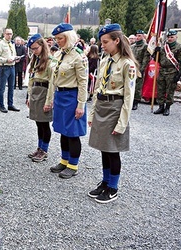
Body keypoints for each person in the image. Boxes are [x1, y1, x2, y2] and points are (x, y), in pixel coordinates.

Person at [87, 23, 137, 203]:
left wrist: (122, 123)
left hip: (115, 109)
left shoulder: (127, 64)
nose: (102, 45)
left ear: (117, 41)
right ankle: (105, 182)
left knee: (113, 150)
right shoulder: (105, 61)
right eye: (101, 42)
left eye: (105, 42)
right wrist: (92, 114)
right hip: (102, 107)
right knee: (103, 148)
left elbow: (129, 97)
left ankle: (113, 187)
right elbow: (97, 89)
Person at [47, 23, 88, 179]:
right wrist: (50, 99)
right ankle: (64, 161)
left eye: (61, 38)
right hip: (60, 96)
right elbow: (53, 78)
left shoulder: (79, 56)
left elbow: (83, 82)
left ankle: (73, 165)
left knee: (72, 133)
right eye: (56, 39)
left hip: (72, 96)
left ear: (69, 37)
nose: (58, 41)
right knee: (63, 131)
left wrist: (81, 105)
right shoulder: (58, 54)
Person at [25, 34, 53, 162]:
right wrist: (29, 96)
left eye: (35, 48)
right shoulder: (35, 59)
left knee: (44, 123)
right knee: (38, 122)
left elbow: (52, 82)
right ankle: (39, 147)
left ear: (42, 45)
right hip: (36, 90)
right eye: (32, 49)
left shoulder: (49, 60)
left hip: (44, 91)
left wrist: (49, 101)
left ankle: (44, 150)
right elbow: (31, 79)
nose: (34, 51)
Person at [153, 30, 181, 116]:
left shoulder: (179, 48)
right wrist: (156, 51)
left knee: (170, 90)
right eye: (168, 37)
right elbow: (156, 59)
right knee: (160, 89)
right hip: (162, 70)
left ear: (176, 37)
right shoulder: (163, 47)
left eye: (172, 37)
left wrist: (179, 74)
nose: (170, 39)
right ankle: (161, 106)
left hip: (172, 71)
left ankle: (167, 107)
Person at [0, 28, 20, 113]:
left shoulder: (12, 44)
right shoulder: (0, 44)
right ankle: (2, 106)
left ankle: (10, 104)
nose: (9, 35)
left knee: (11, 87)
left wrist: (16, 59)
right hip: (4, 67)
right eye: (8, 34)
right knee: (2, 88)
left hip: (12, 67)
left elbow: (13, 54)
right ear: (4, 34)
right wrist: (6, 60)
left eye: (11, 34)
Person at [130, 30, 148, 110]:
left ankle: (136, 102)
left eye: (139, 36)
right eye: (136, 36)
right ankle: (129, 100)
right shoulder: (132, 46)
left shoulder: (145, 46)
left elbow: (145, 59)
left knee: (137, 86)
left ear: (143, 36)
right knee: (130, 84)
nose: (137, 37)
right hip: (131, 67)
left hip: (139, 67)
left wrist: (142, 69)